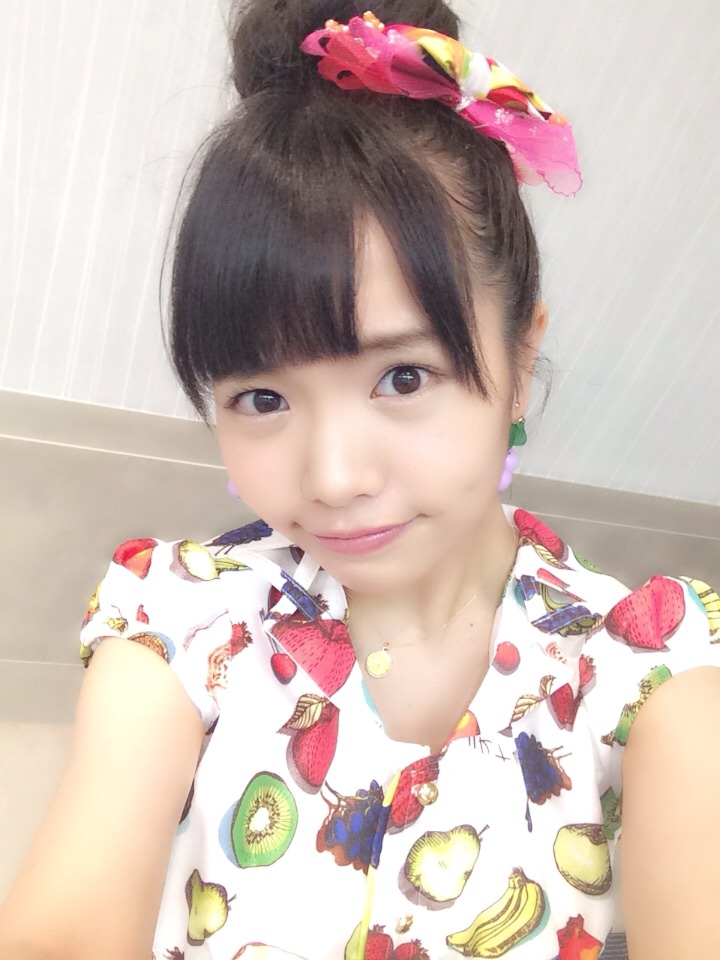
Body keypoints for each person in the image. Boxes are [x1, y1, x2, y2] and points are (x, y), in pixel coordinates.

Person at [1, 2, 719, 958]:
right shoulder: (180, 625)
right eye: (262, 397)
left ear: (518, 360)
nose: (333, 479)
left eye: (403, 378)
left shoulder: (644, 671)